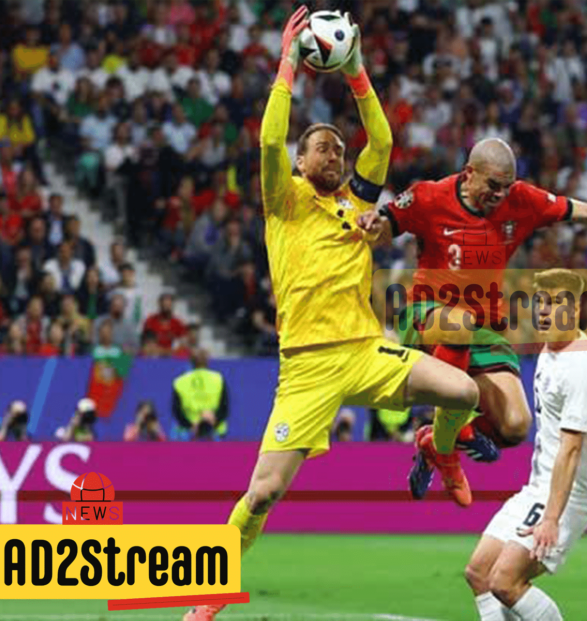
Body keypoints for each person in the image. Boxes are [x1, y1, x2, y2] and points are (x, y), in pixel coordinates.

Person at [183, 9, 479, 620]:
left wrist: (358, 70)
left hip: (364, 353)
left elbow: (385, 141)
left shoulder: (356, 202)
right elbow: (268, 139)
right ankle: (207, 602)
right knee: (262, 493)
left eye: (340, 149)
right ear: (300, 161)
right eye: (324, 147)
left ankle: (436, 446)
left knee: (463, 391)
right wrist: (289, 60)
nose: (337, 155)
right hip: (307, 371)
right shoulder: (284, 201)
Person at [363, 137, 587, 506]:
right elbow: (383, 227)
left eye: (506, 187)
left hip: (480, 326)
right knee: (458, 324)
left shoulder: (522, 200)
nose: (501, 195)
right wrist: (369, 225)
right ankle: (446, 451)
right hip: (424, 315)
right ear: (469, 173)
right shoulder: (428, 196)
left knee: (515, 425)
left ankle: (433, 439)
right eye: (493, 186)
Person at [463, 269, 587, 620]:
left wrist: (552, 519)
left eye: (554, 303)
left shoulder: (580, 365)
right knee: (479, 574)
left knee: (506, 581)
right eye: (540, 302)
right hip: (539, 486)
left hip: (570, 495)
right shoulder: (552, 347)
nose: (543, 310)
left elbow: (569, 449)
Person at [171, 348, 229, 440]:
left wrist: (191, 425)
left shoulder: (180, 382)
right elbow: (225, 407)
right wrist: (214, 421)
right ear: (207, 361)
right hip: (215, 431)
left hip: (189, 432)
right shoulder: (218, 379)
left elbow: (176, 410)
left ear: (191, 362)